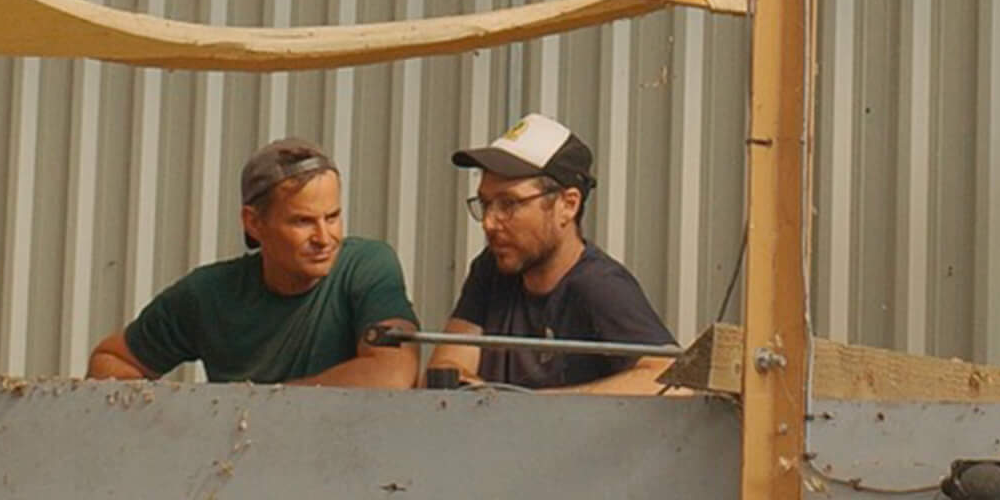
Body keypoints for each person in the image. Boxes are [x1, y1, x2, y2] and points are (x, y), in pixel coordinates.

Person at [86, 138, 418, 387]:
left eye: (332, 217)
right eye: (302, 222)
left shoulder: (368, 265)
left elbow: (392, 373)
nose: (324, 237)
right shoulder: (208, 294)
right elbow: (110, 362)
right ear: (253, 223)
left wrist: (257, 406)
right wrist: (177, 420)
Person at [428, 114, 676, 393]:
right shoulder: (491, 269)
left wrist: (539, 408)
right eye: (485, 204)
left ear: (567, 205)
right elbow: (447, 364)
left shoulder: (600, 285)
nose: (489, 222)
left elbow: (669, 380)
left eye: (509, 204)